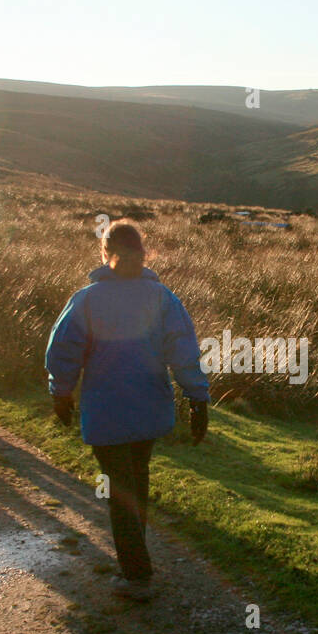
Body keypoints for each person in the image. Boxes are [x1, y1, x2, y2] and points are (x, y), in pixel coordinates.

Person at [45, 219, 209, 602]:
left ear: (105, 253)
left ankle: (136, 575)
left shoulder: (87, 299)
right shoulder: (162, 298)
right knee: (136, 481)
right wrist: (198, 398)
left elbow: (64, 351)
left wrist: (61, 394)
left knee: (121, 489)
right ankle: (137, 560)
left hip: (106, 412)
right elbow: (183, 351)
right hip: (149, 409)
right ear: (143, 253)